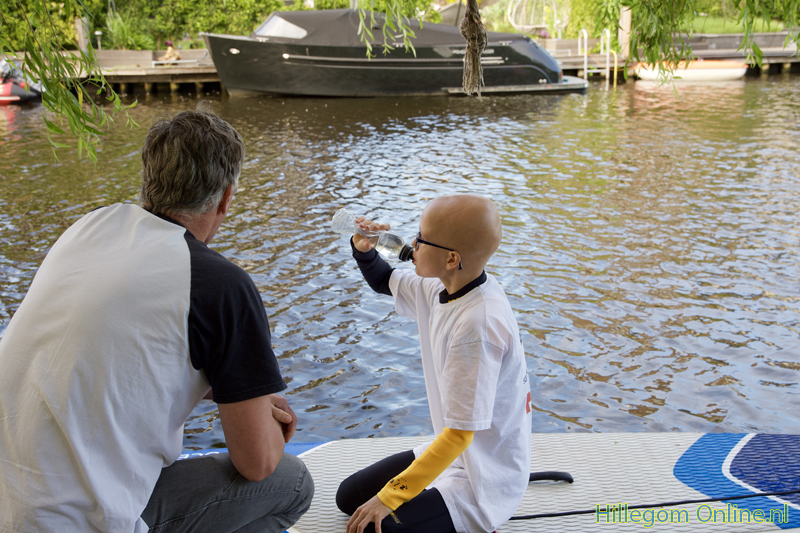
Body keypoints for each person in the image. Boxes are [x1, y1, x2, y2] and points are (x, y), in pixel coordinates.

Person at [0, 109, 314, 532]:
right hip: (70, 523)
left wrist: (242, 394)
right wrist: (266, 419)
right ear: (226, 198)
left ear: (150, 179)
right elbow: (257, 463)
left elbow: (120, 359)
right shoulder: (219, 284)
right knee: (290, 483)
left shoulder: (88, 229)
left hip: (9, 500)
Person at [336, 195, 532, 533]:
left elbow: (458, 436)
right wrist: (364, 250)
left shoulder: (478, 325)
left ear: (451, 258)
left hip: (483, 478)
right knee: (349, 497)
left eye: (421, 238)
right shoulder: (445, 284)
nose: (412, 244)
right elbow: (384, 281)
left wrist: (388, 497)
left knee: (370, 528)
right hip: (454, 453)